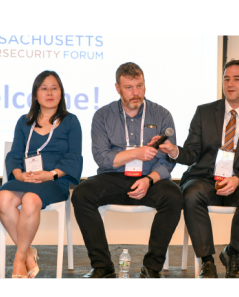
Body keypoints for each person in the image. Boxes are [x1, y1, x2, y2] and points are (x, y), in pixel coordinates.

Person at [153, 60, 239, 279]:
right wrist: (174, 151)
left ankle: (232, 254)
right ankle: (207, 261)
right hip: (206, 178)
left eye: (237, 79)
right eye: (226, 79)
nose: (230, 84)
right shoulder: (204, 112)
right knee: (191, 193)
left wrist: (237, 179)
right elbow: (191, 153)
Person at [71, 62, 181, 279]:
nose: (135, 93)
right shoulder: (103, 116)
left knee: (174, 196)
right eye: (129, 87)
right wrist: (136, 153)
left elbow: (168, 160)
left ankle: (152, 267)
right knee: (83, 194)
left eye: (139, 86)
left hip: (149, 178)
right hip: (114, 177)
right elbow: (102, 159)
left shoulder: (161, 115)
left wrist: (149, 180)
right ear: (117, 88)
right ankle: (103, 266)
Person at [0, 71, 83, 279]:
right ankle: (28, 254)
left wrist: (51, 174)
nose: (50, 92)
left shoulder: (71, 122)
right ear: (36, 94)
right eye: (44, 88)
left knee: (30, 200)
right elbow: (15, 154)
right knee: (3, 197)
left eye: (54, 88)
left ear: (61, 93)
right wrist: (18, 175)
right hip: (27, 178)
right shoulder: (24, 121)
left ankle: (19, 259)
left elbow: (74, 157)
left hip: (55, 180)